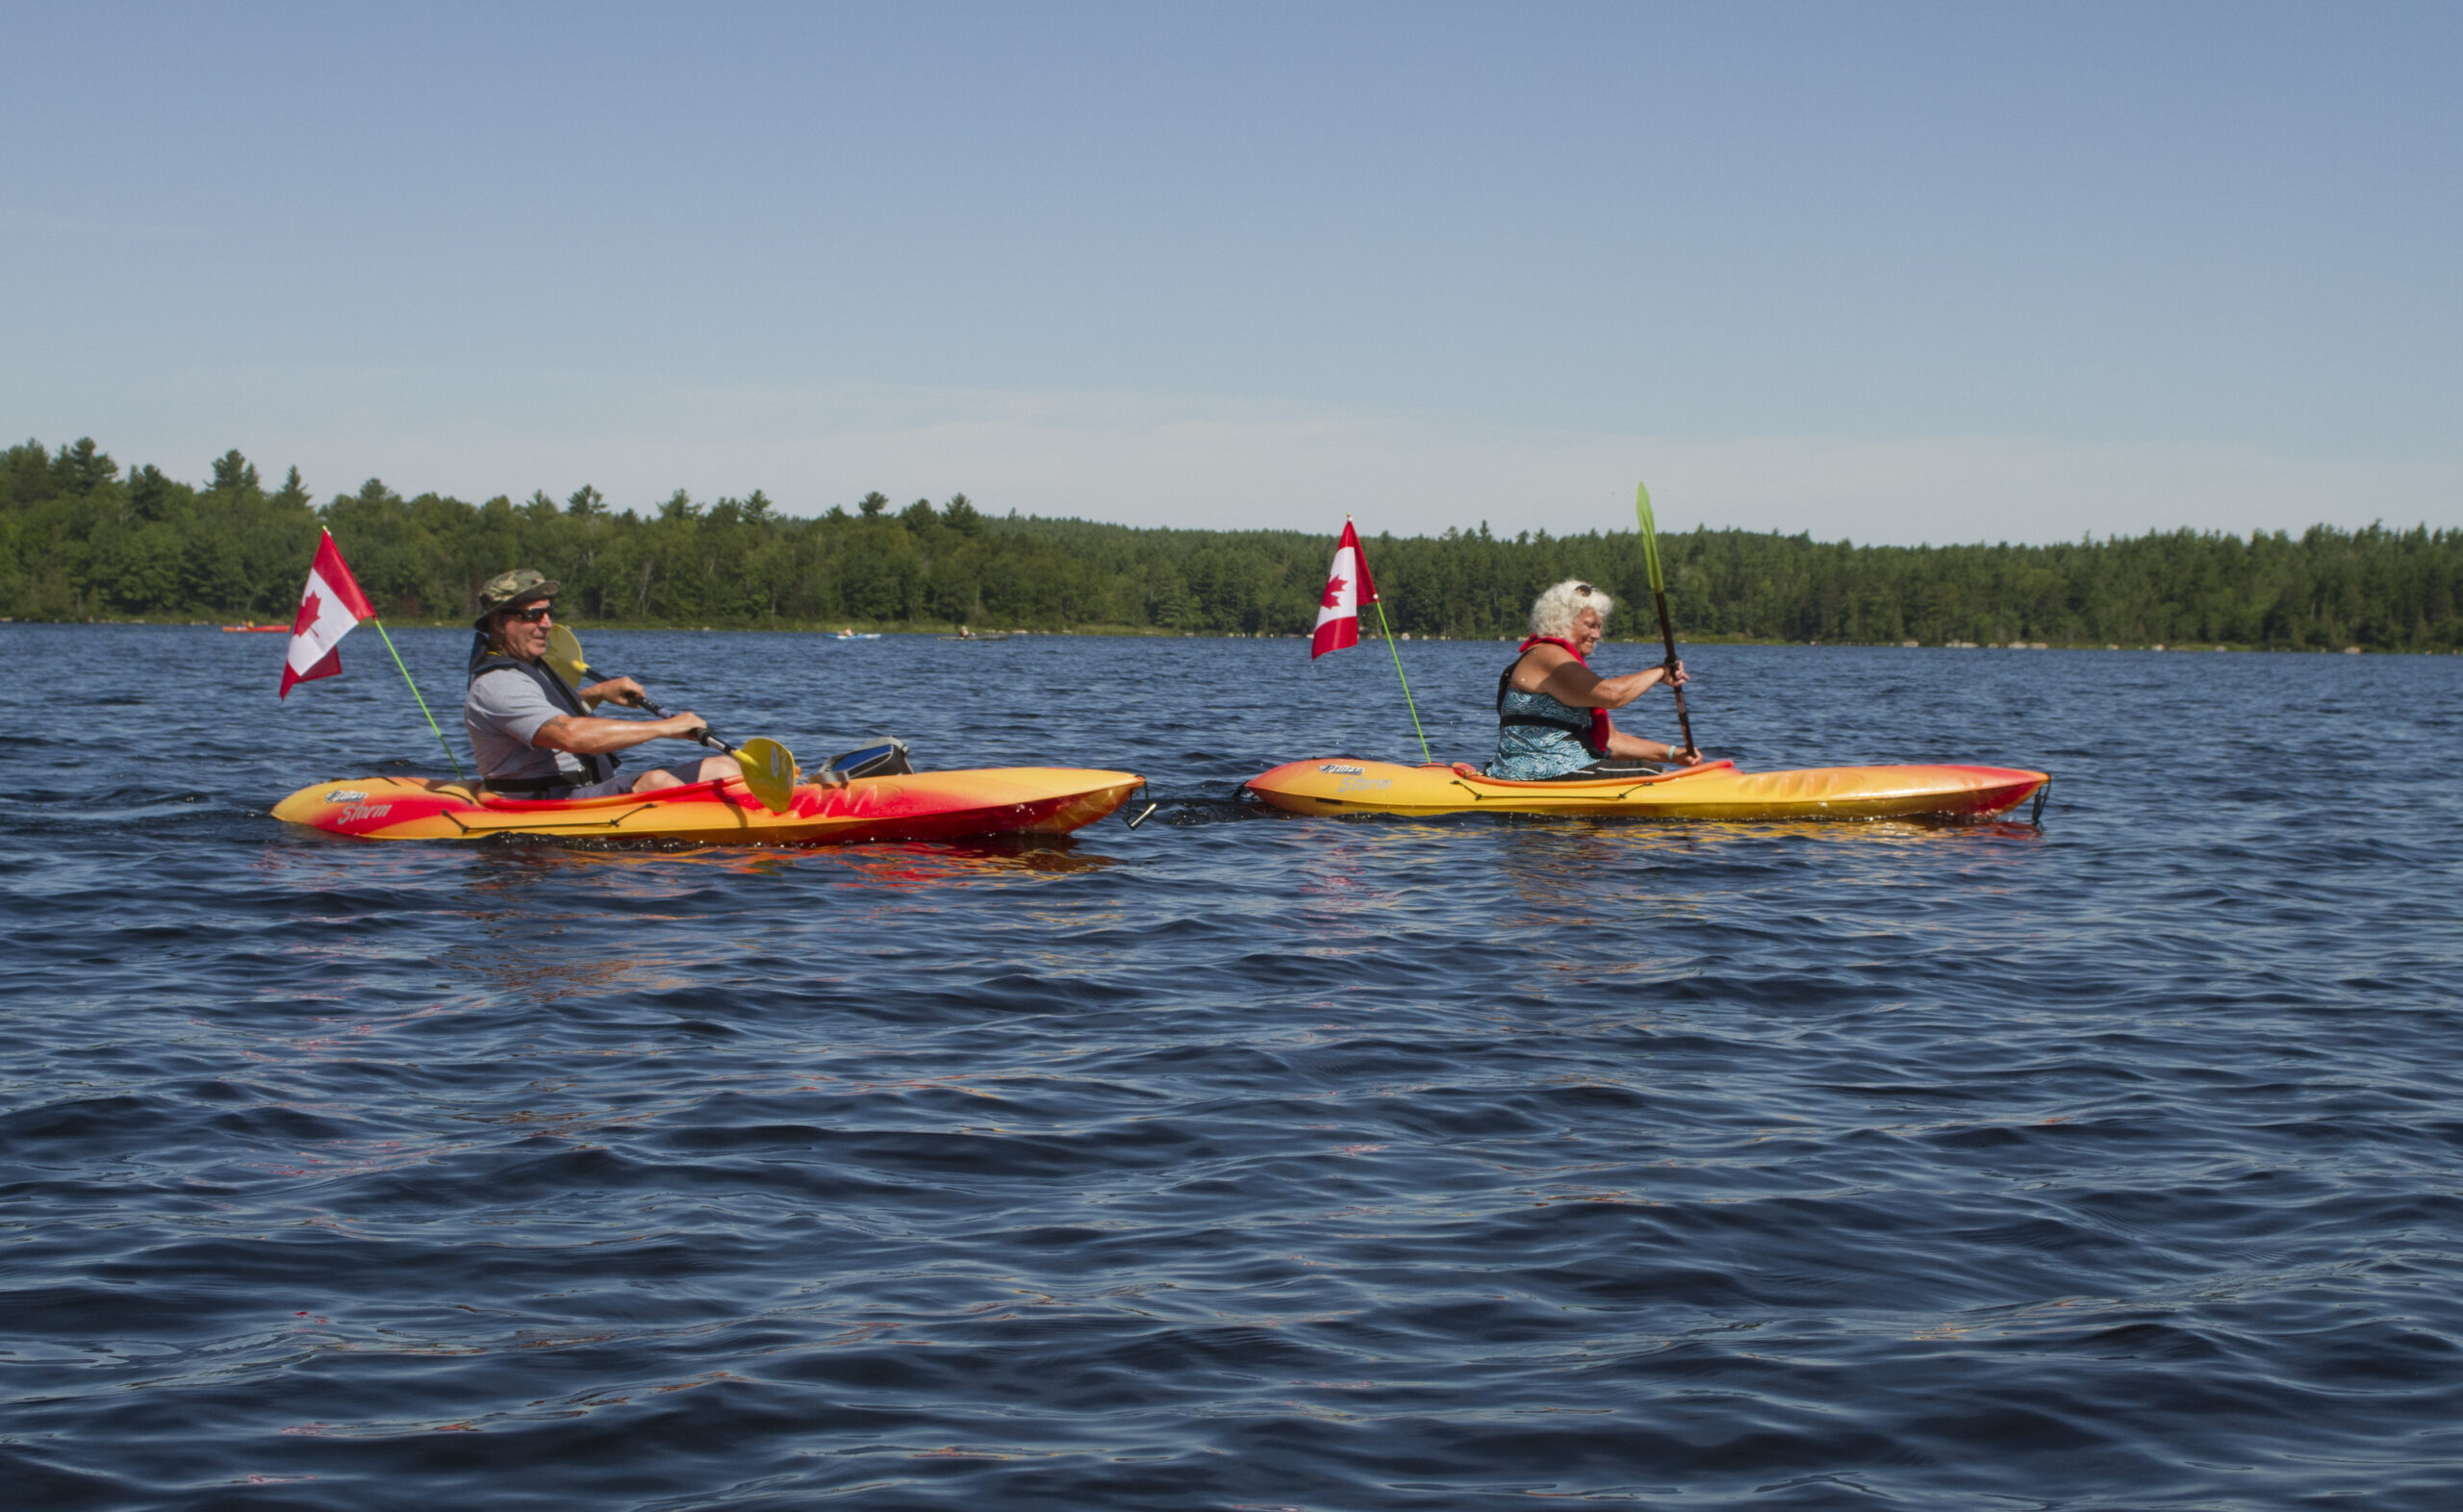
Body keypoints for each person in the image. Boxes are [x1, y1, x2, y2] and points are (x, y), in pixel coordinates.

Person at [463, 568, 749, 798]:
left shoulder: (529, 667)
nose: (547, 624)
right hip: (548, 800)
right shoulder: (497, 684)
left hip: (585, 788)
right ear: (498, 622)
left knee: (723, 767)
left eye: (549, 612)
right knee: (656, 781)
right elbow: (569, 735)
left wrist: (597, 693)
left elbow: (547, 714)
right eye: (533, 615)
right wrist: (664, 727)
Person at [1488, 578, 1699, 780]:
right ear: (1562, 621)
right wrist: (1660, 672)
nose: (1597, 635)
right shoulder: (1548, 654)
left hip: (1557, 771)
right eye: (1590, 625)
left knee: (1653, 770)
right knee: (1654, 775)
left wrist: (1673, 754)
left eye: (1599, 626)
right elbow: (1612, 695)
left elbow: (1611, 740)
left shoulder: (1558, 658)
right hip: (1541, 773)